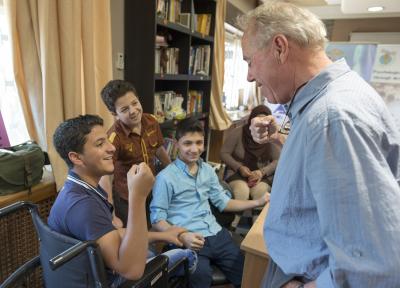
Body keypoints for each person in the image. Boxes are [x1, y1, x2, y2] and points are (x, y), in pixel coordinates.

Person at [238, 1, 400, 288]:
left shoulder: (331, 118)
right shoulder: (327, 100)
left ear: (279, 48)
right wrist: (278, 135)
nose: (250, 75)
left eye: (249, 60)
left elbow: (371, 265)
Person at [48, 114, 197, 287]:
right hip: (103, 281)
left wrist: (163, 235)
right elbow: (132, 271)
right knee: (188, 256)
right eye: (100, 144)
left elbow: (112, 234)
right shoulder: (84, 206)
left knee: (148, 249)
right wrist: (138, 196)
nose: (111, 148)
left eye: (107, 141)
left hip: (88, 271)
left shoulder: (78, 188)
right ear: (76, 157)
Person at [150, 118, 270, 288]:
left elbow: (224, 203)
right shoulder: (165, 177)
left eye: (199, 143)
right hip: (189, 238)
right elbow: (157, 219)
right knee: (201, 278)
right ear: (177, 144)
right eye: (188, 143)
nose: (194, 149)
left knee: (248, 274)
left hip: (216, 234)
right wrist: (182, 236)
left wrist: (258, 201)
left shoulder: (207, 170)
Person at [220, 105, 280, 201]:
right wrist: (239, 167)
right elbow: (224, 153)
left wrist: (262, 172)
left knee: (260, 193)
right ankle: (236, 215)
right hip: (237, 172)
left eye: (264, 120)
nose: (260, 123)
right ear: (251, 119)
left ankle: (257, 216)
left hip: (262, 174)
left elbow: (278, 160)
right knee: (241, 192)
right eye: (257, 119)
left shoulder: (271, 136)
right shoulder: (238, 132)